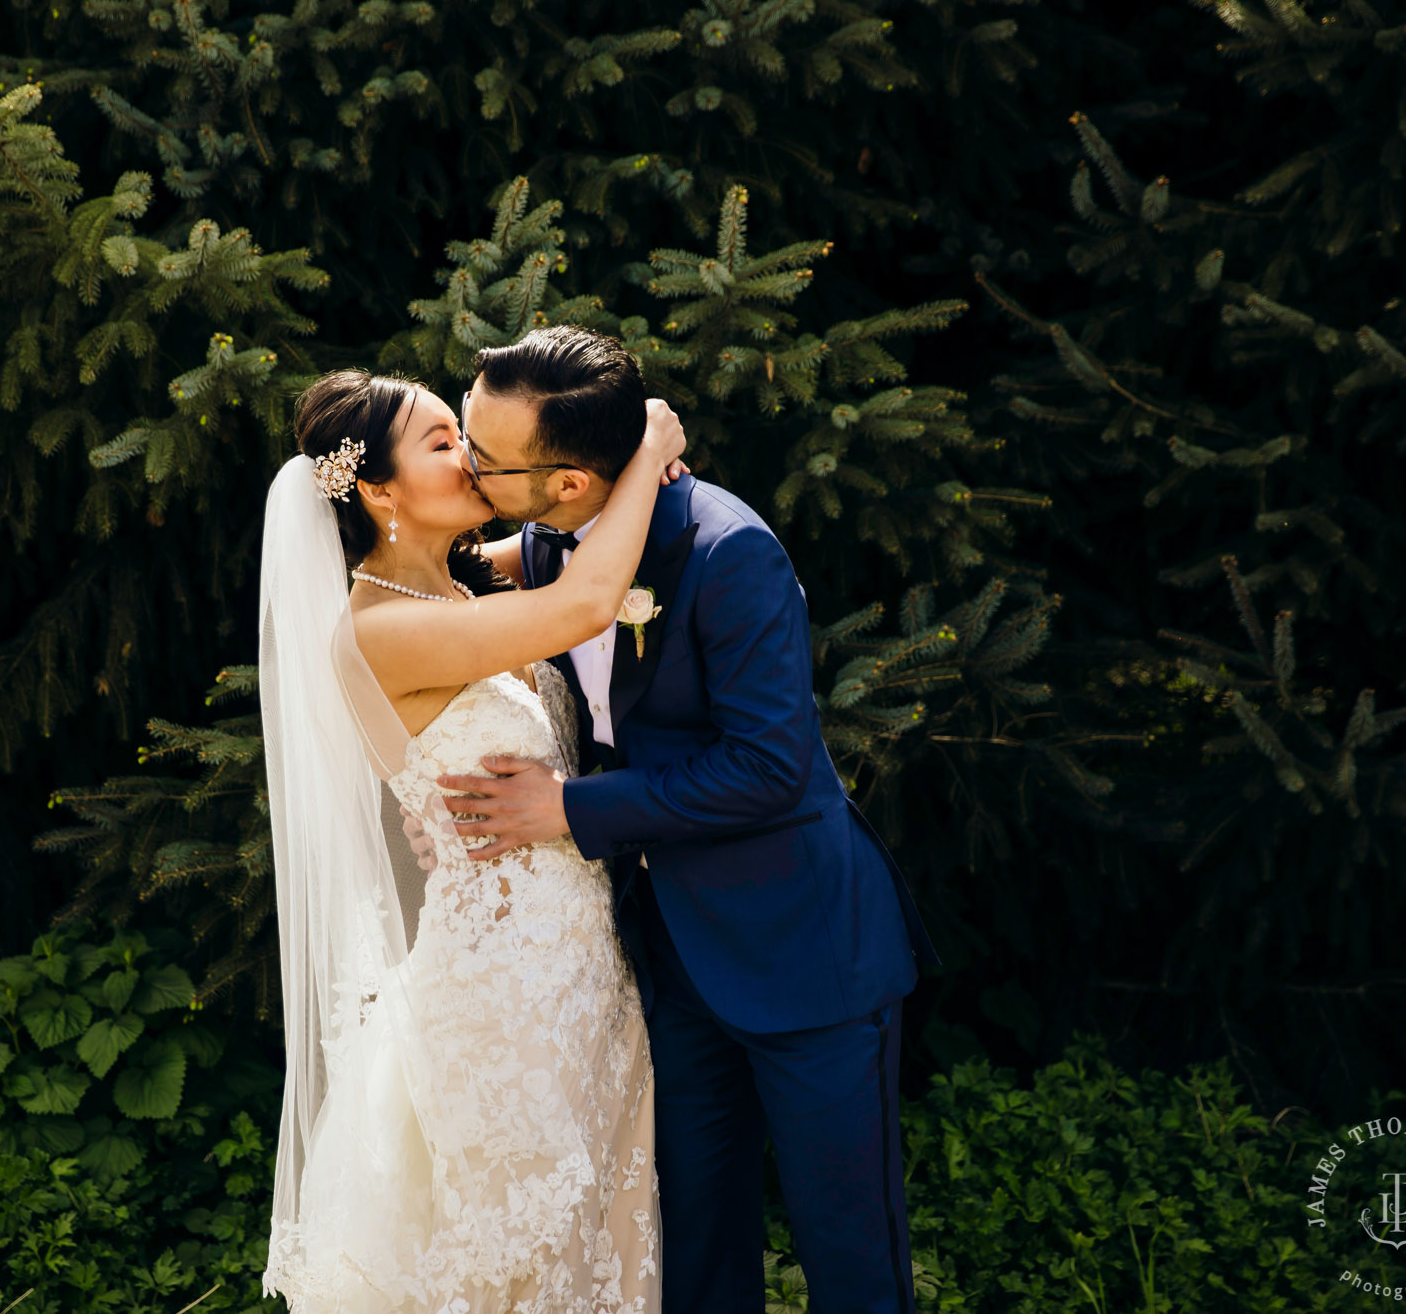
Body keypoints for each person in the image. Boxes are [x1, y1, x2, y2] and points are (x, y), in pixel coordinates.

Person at [433, 325, 942, 1314]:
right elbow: (448, 571)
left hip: (804, 957)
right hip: (668, 963)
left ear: (574, 481)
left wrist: (569, 809)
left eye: (484, 457)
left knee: (850, 1254)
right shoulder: (550, 540)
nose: (468, 465)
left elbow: (767, 768)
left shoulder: (727, 550)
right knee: (691, 1250)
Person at [257, 366, 688, 1313]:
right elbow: (581, 602)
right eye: (443, 442)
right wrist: (647, 445)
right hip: (502, 998)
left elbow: (552, 547)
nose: (473, 456)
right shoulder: (379, 631)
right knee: (521, 1260)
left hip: (584, 973)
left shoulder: (458, 587)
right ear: (377, 490)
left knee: (596, 1250)